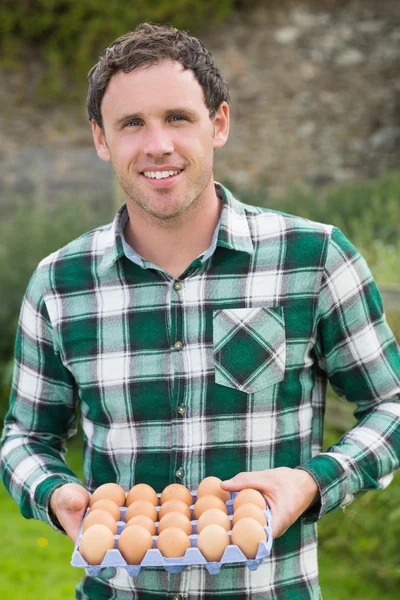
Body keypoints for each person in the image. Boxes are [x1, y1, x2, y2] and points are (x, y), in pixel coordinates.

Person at [1, 22, 399, 600]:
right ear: (101, 139)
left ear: (219, 124)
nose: (157, 144)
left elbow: (390, 403)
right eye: (131, 123)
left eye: (178, 117)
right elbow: (24, 436)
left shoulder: (313, 259)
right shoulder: (60, 283)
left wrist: (315, 482)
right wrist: (53, 491)